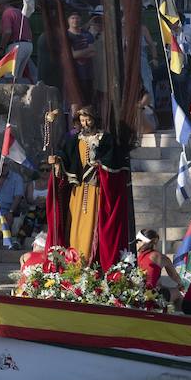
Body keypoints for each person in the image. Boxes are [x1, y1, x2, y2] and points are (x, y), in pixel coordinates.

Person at [48, 105, 130, 270]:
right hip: (77, 190)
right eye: (82, 120)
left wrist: (100, 164)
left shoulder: (105, 139)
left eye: (88, 119)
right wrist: (57, 160)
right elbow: (65, 156)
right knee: (74, 225)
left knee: (92, 225)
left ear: (95, 119)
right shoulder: (74, 140)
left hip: (96, 191)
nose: (85, 123)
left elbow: (114, 161)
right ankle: (73, 262)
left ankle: (90, 263)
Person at [135, 228, 183, 303]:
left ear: (145, 242)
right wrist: (182, 285)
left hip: (136, 295)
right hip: (151, 297)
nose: (136, 243)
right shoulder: (161, 257)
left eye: (138, 241)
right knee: (179, 293)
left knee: (163, 288)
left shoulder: (134, 257)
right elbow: (175, 276)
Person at [0, 0, 35, 83]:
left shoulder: (7, 13)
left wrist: (1, 48)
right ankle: (16, 95)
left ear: (0, 6)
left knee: (9, 76)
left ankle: (10, 95)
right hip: (28, 45)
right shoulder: (20, 13)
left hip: (16, 45)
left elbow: (7, 32)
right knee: (16, 77)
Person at [65, 12, 94, 105]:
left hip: (87, 74)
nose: (75, 20)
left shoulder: (87, 34)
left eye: (77, 18)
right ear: (68, 20)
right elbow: (71, 55)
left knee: (88, 103)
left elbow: (93, 51)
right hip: (72, 75)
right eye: (72, 18)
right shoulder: (66, 36)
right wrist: (87, 50)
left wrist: (77, 53)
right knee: (74, 104)